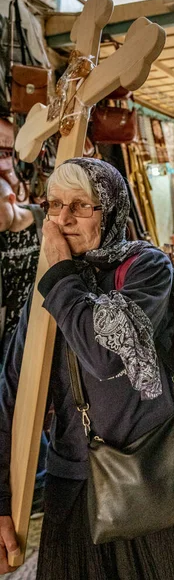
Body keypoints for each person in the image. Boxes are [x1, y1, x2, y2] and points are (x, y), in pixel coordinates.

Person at [0, 157, 174, 579]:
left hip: (154, 472)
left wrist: (61, 274)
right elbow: (12, 387)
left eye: (81, 205)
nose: (63, 218)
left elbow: (107, 355)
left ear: (112, 211)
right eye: (55, 204)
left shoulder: (145, 268)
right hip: (74, 482)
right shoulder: (48, 288)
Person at [0, 178, 47, 516]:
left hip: (44, 326)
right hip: (10, 335)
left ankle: (42, 477)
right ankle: (36, 480)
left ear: (12, 198)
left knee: (42, 402)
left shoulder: (44, 221)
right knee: (15, 404)